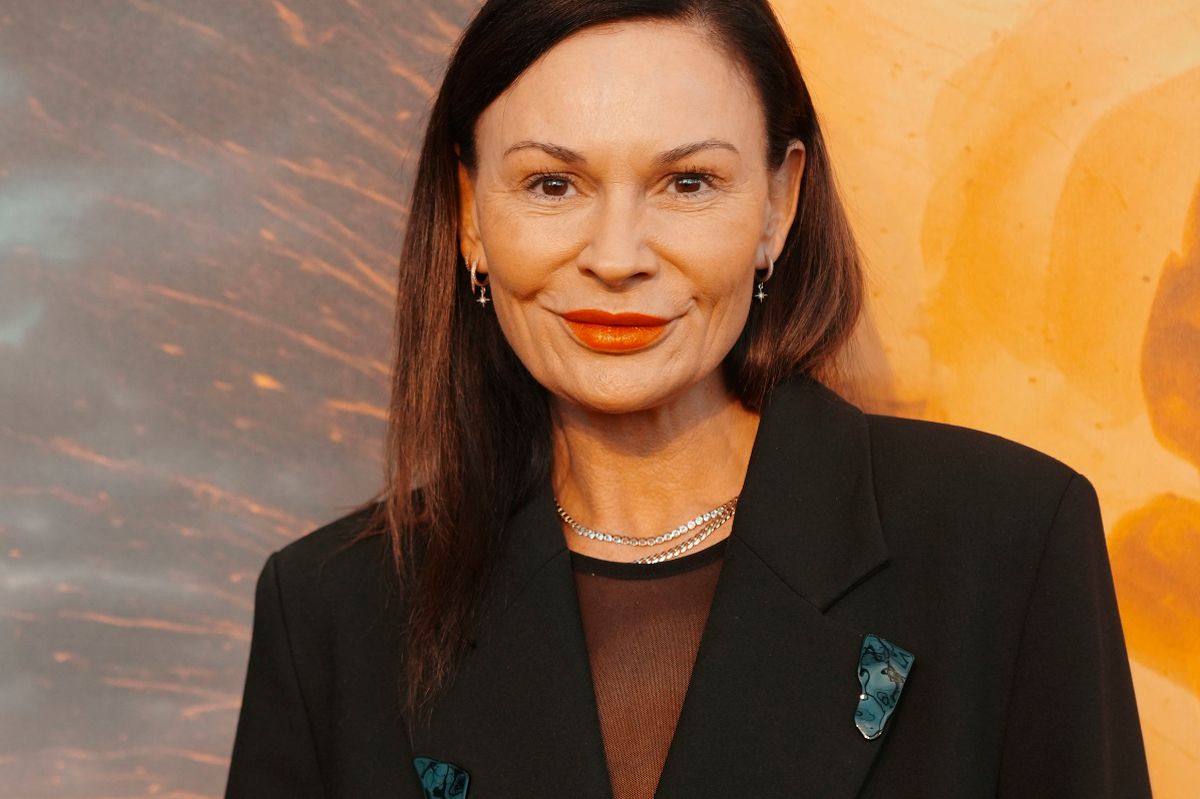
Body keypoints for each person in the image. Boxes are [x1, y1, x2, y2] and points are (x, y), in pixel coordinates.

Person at [224, 1, 1153, 797]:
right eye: (552, 184)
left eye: (688, 182)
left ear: (778, 206)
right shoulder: (332, 613)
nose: (618, 254)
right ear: (470, 212)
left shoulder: (1008, 545)